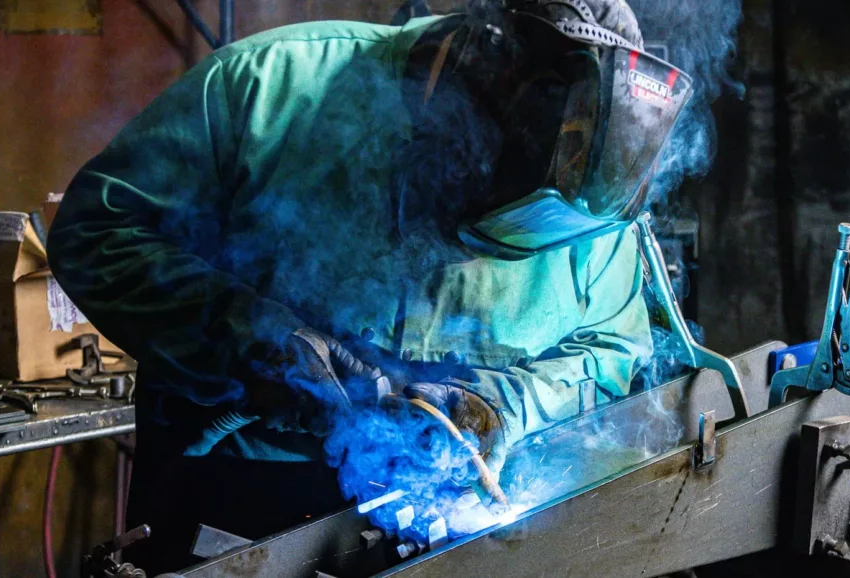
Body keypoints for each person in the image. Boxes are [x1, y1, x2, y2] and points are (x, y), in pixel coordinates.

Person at [47, 0, 693, 571]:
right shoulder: (267, 92)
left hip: (445, 523)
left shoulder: (594, 214)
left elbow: (612, 344)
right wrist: (245, 336)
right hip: (234, 499)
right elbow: (95, 231)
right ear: (472, 92)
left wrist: (501, 403)